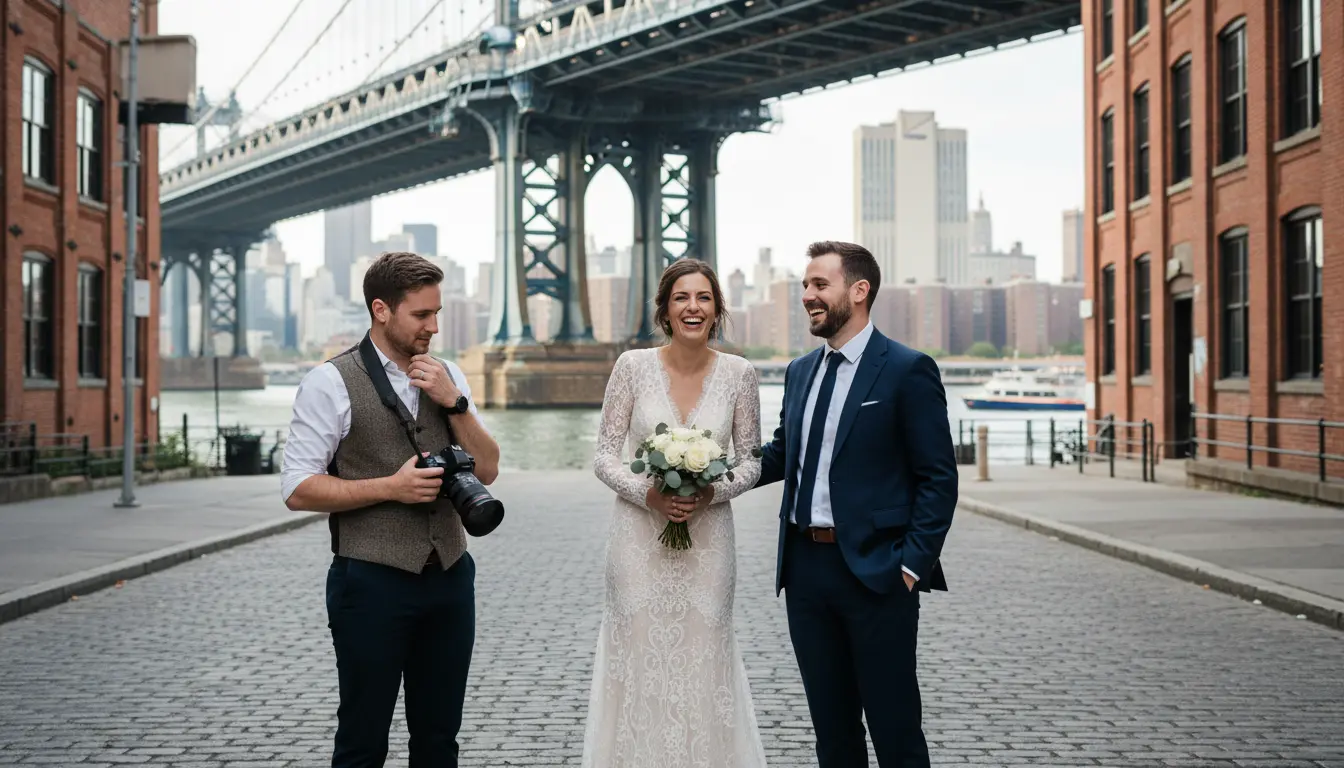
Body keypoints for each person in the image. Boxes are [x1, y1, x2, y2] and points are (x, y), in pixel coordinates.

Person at [280, 251, 500, 768]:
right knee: (362, 740)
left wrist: (456, 403)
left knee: (439, 740)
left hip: (449, 577)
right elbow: (298, 488)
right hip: (370, 583)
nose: (434, 327)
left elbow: (487, 470)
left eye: (438, 313)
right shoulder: (330, 382)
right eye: (421, 315)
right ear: (381, 310)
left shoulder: (449, 377)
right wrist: (391, 487)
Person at [756, 241, 958, 768]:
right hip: (805, 572)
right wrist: (705, 476)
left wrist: (911, 565)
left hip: (878, 573)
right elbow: (781, 454)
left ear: (859, 291)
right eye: (804, 286)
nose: (807, 296)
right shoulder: (801, 371)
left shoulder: (907, 370)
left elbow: (938, 478)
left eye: (820, 285)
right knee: (833, 732)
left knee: (895, 731)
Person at [582, 258, 768, 768]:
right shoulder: (631, 367)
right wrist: (651, 495)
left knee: (705, 661)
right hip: (637, 541)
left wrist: (715, 492)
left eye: (704, 298)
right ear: (665, 309)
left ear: (717, 309)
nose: (693, 307)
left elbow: (752, 458)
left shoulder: (740, 374)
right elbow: (603, 455)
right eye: (681, 297)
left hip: (709, 545)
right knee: (640, 657)